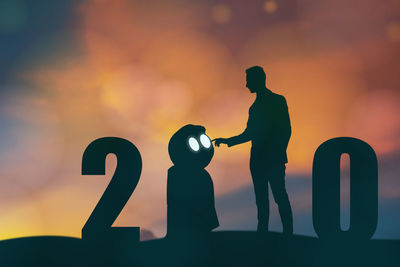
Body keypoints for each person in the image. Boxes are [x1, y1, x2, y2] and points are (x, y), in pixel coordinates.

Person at [213, 66, 293, 234]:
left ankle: (288, 233)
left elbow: (286, 129)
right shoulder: (254, 107)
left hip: (273, 158)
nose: (247, 84)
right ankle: (262, 231)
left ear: (259, 80)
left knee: (279, 195)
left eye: (249, 80)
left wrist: (278, 151)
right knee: (261, 199)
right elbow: (249, 133)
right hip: (258, 159)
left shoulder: (277, 101)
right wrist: (227, 141)